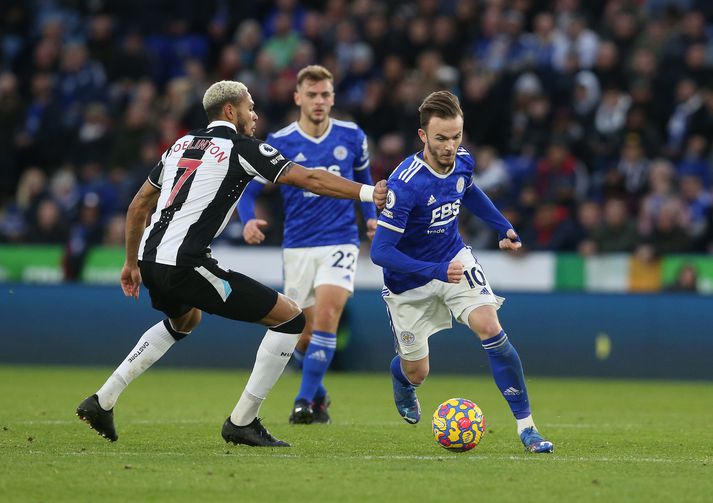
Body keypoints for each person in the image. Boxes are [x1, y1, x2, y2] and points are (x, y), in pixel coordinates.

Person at [75, 80, 386, 447]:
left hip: (151, 258)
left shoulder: (180, 144)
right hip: (185, 263)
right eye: (249, 107)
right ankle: (243, 421)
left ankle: (103, 400)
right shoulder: (242, 149)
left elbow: (139, 205)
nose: (254, 115)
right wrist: (368, 192)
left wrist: (130, 263)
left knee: (186, 319)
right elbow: (311, 179)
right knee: (291, 318)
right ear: (230, 111)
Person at [370, 91, 554, 453]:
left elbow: (468, 192)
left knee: (491, 327)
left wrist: (504, 226)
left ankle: (527, 428)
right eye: (441, 138)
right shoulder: (405, 184)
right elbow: (381, 252)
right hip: (409, 283)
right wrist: (434, 269)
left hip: (455, 260)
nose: (450, 146)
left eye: (456, 136)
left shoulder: (464, 161)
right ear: (423, 136)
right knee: (417, 371)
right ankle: (401, 378)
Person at [238, 65, 377, 424]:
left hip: (341, 240)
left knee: (329, 316)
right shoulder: (281, 142)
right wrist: (247, 219)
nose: (319, 101)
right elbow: (249, 189)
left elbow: (365, 181)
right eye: (312, 95)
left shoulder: (352, 136)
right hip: (298, 245)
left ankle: (301, 402)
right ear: (298, 97)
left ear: (333, 98)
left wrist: (372, 216)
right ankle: (318, 393)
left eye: (325, 94)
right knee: (302, 334)